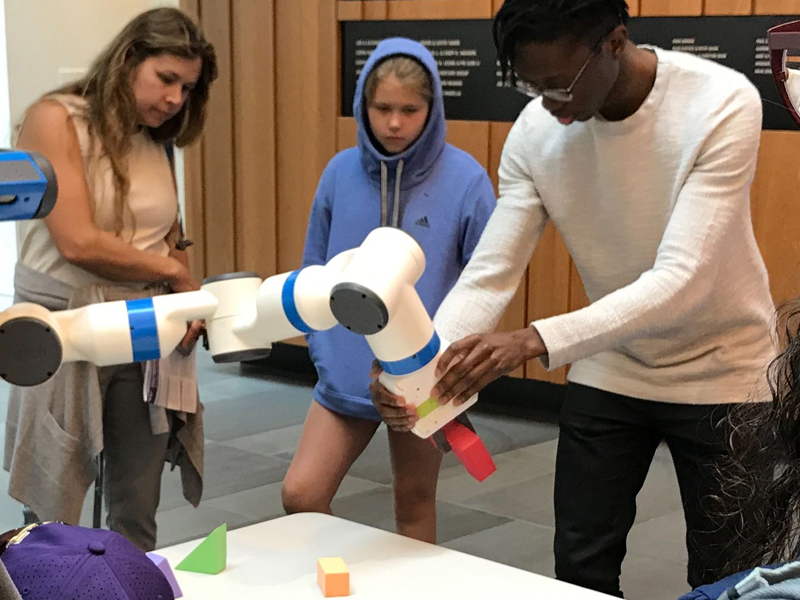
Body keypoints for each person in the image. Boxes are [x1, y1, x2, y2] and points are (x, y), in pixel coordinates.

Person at [370, 0, 776, 595]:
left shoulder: (720, 102)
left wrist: (533, 340)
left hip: (726, 369)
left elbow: (681, 279)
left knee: (727, 576)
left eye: (558, 85)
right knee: (580, 567)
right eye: (530, 86)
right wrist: (422, 369)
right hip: (612, 364)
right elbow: (490, 274)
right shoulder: (536, 131)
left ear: (614, 42)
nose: (548, 105)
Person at [3, 7, 217, 551]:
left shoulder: (158, 137)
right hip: (63, 324)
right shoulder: (55, 118)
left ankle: (132, 582)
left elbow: (171, 238)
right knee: (53, 510)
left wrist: (182, 294)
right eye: (166, 79)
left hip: (142, 326)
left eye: (186, 88)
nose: (174, 99)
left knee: (137, 502)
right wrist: (171, 273)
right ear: (128, 60)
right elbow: (77, 240)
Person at [281, 38, 495, 544]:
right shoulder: (338, 173)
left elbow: (486, 280)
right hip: (346, 375)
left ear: (432, 108)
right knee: (301, 495)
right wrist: (324, 351)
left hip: (423, 376)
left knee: (414, 507)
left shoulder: (466, 179)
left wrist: (450, 368)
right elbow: (312, 266)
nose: (395, 123)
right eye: (382, 108)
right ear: (363, 106)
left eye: (409, 110)